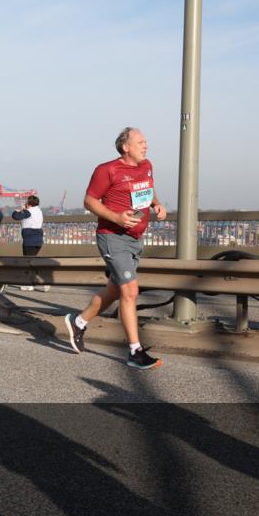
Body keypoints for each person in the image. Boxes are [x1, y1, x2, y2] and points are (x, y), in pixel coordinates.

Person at [64, 127, 167, 369]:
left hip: (134, 239)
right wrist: (116, 218)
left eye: (146, 142)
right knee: (130, 292)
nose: (146, 146)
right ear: (126, 147)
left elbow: (148, 190)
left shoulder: (147, 165)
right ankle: (134, 351)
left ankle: (78, 322)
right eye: (140, 142)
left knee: (114, 291)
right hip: (112, 236)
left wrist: (157, 205)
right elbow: (89, 201)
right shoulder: (106, 169)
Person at [11, 195, 46, 291]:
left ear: (29, 203)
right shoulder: (39, 211)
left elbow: (15, 217)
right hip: (38, 240)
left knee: (28, 262)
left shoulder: (28, 212)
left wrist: (18, 211)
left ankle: (30, 284)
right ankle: (42, 281)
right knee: (32, 261)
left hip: (29, 240)